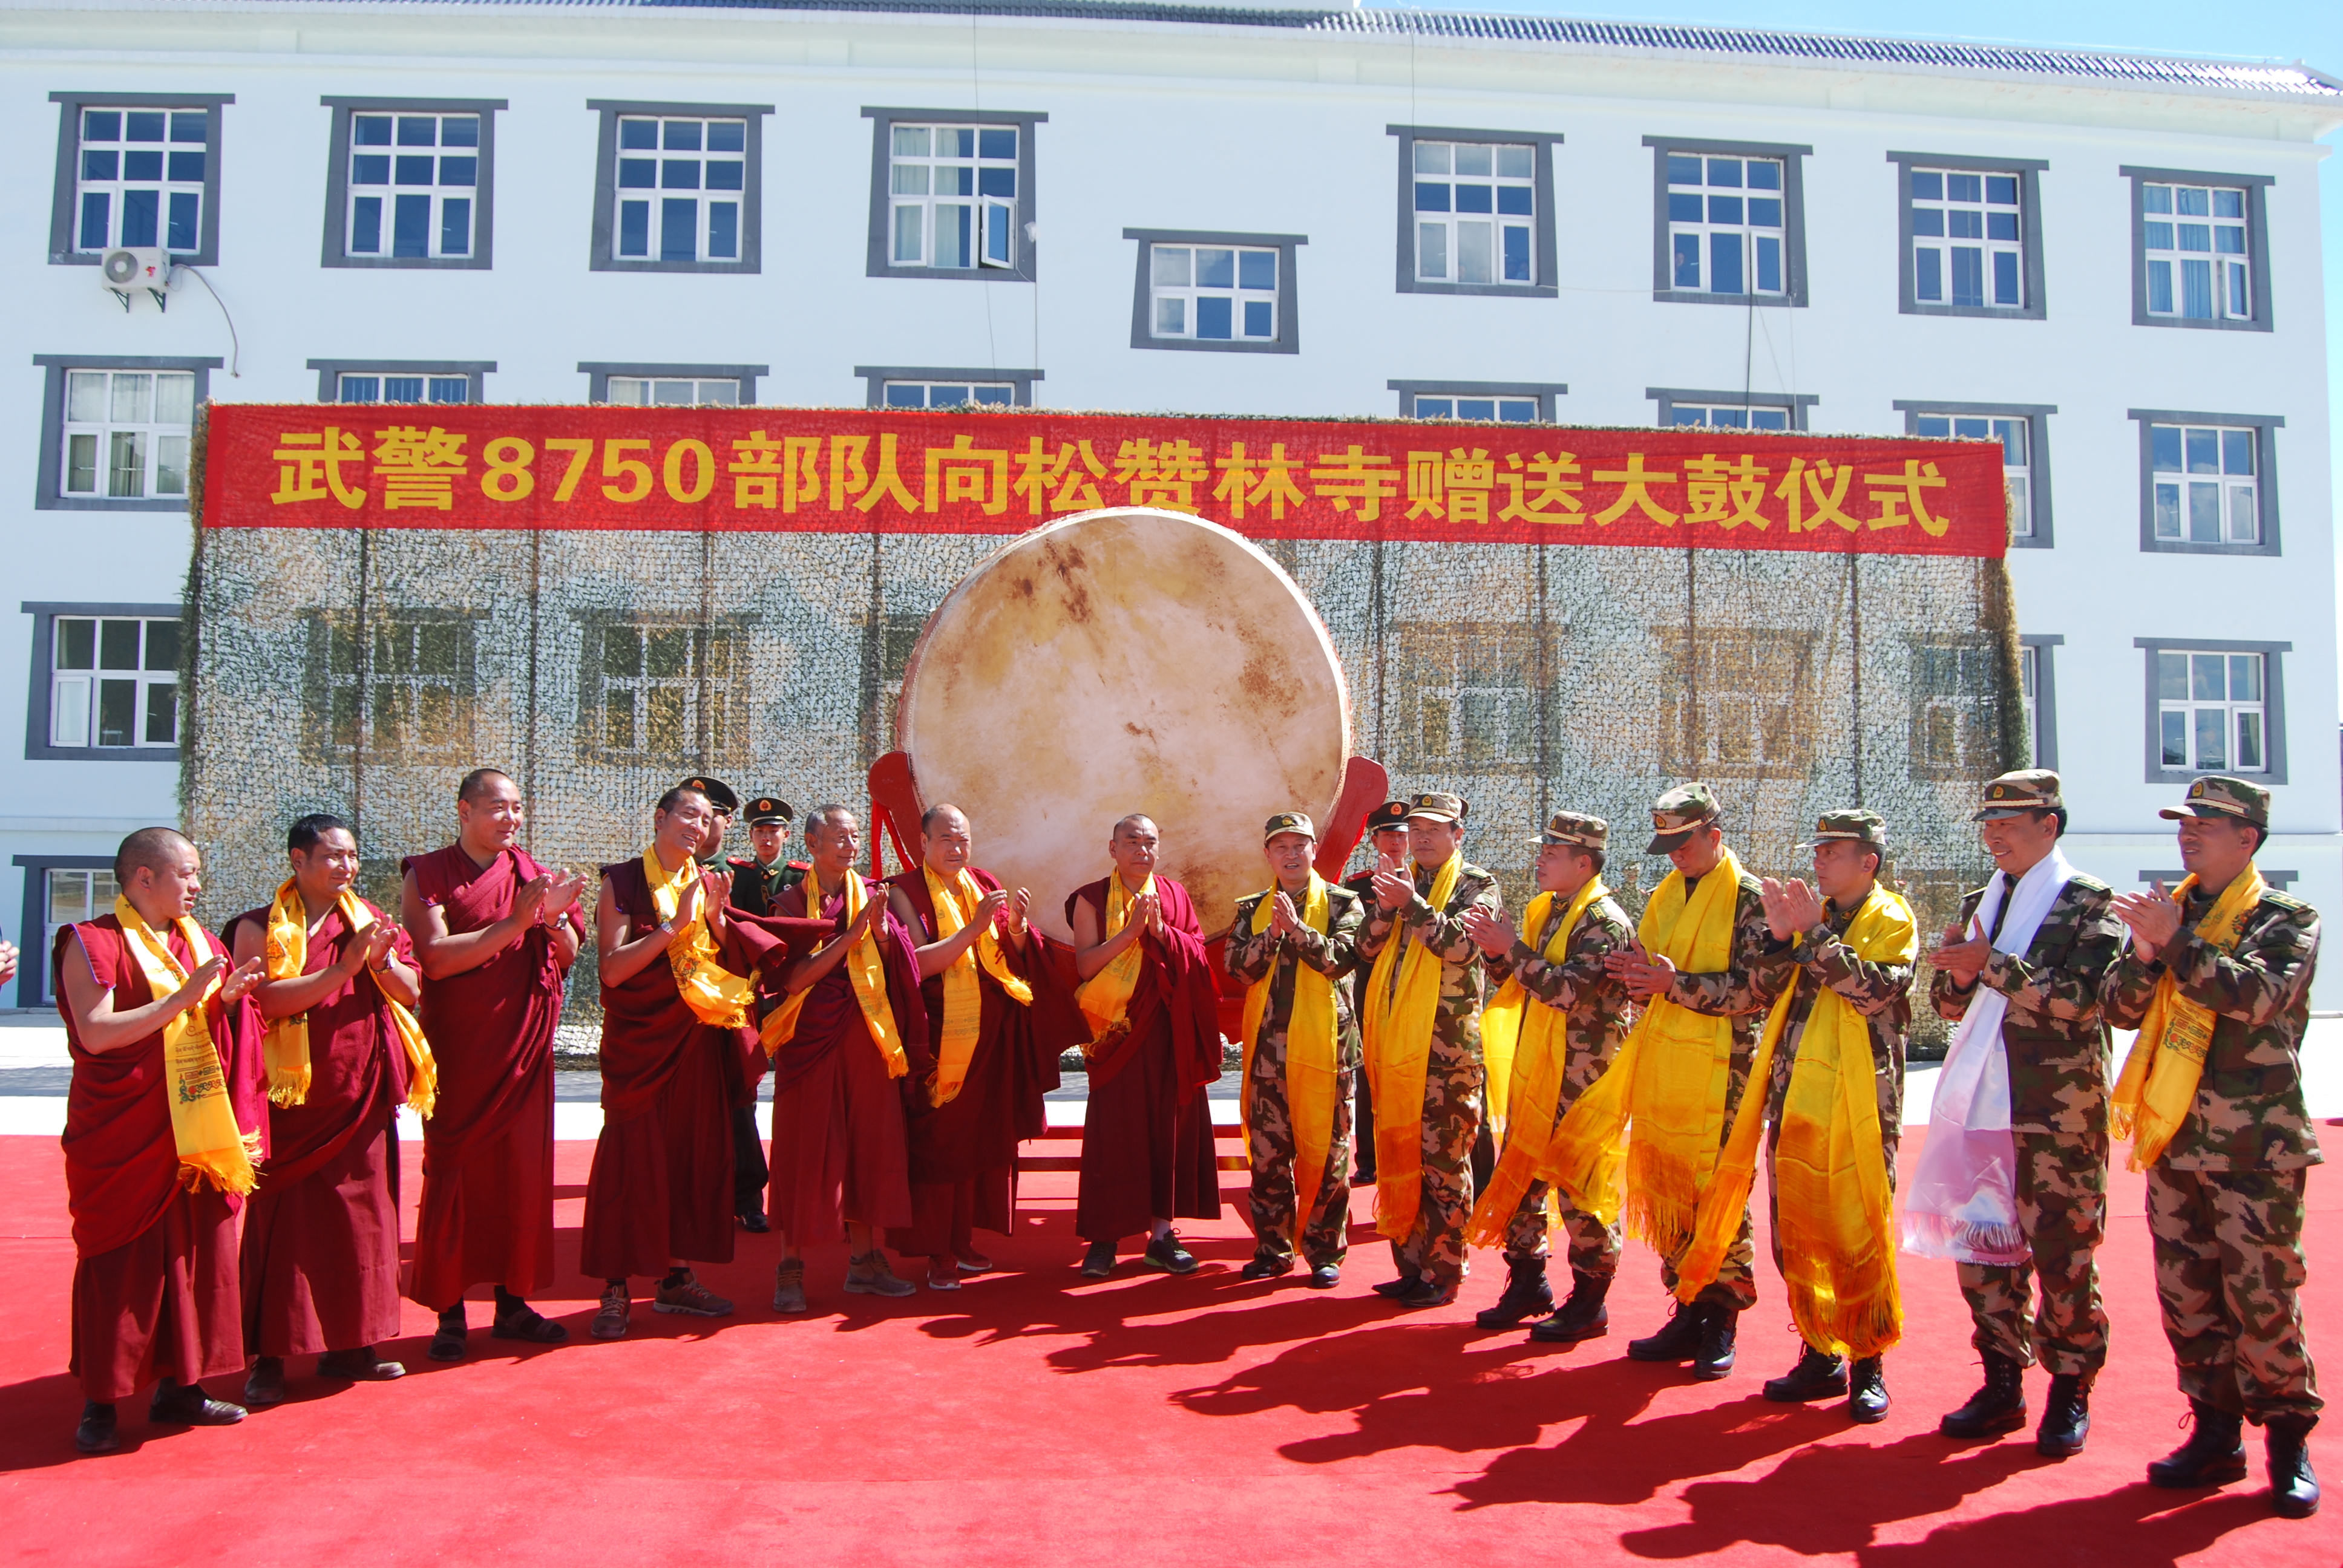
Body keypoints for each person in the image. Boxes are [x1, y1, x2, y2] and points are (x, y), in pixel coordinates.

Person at [2101, 776, 2322, 1518]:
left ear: (2248, 838)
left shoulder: (2283, 919)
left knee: (2260, 1300)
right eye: (2183, 822)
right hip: (2174, 1139)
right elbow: (2119, 1008)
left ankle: (2287, 1443)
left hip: (2253, 1147)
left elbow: (2257, 997)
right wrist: (2143, 951)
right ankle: (2214, 1436)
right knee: (2189, 1299)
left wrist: (2175, 943)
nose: (2187, 834)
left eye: (2205, 823)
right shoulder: (2172, 913)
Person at [1910, 769, 2122, 1459]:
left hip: (2055, 1114)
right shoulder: (1982, 901)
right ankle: (2001, 1379)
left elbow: (2082, 999)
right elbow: (1946, 1003)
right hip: (1980, 1109)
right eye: (1988, 823)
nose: (1993, 834)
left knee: (2063, 1258)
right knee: (1983, 1255)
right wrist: (1963, 974)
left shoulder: (2088, 905)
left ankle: (2069, 1392)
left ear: (2049, 826)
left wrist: (1993, 965)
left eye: (2009, 821)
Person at [1687, 811, 1915, 1423]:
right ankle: (1818, 1352)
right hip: (1794, 1098)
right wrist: (1783, 939)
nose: (1818, 861)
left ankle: (1867, 1363)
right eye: (1816, 849)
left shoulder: (1890, 919)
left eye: (1832, 852)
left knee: (1855, 1230)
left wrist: (1812, 936)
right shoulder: (1816, 916)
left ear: (1867, 862)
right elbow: (1761, 988)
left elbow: (1871, 992)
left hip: (1857, 1104)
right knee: (1797, 1234)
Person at [1548, 783, 1781, 1379]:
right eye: (1668, 846)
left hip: (1722, 1071)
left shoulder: (1749, 899)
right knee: (1669, 1186)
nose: (1676, 856)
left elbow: (1757, 990)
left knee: (1715, 1191)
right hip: (1662, 1062)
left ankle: (1721, 1317)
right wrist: (1633, 975)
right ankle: (1685, 1306)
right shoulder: (1667, 894)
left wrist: (1672, 985)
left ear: (1714, 836)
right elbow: (1649, 971)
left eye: (1685, 843)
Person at [55, 827, 267, 1454]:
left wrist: (225, 1002)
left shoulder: (195, 943)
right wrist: (184, 997)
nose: (198, 886)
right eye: (188, 873)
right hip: (125, 1134)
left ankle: (182, 1386)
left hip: (191, 1131)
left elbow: (204, 1024)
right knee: (122, 1266)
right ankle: (101, 1399)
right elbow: (96, 1034)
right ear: (143, 879)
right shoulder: (90, 942)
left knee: (193, 1259)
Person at [229, 814, 431, 1406]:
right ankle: (270, 1356)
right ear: (298, 861)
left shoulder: (372, 924)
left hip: (359, 1095)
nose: (346, 867)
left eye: (351, 857)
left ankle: (354, 1344)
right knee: (284, 1227)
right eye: (332, 857)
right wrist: (343, 969)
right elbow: (263, 1000)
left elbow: (412, 992)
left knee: (362, 1225)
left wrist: (379, 963)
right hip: (291, 1102)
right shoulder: (256, 928)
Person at [584, 785, 793, 1338]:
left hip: (696, 1042)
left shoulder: (706, 882)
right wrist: (676, 923)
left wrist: (718, 918)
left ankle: (677, 1278)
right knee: (630, 1163)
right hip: (642, 1048)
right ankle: (614, 1287)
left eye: (707, 820)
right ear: (661, 818)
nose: (697, 827)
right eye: (688, 815)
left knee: (689, 1159)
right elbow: (612, 970)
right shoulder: (623, 881)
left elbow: (724, 960)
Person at [401, 768, 588, 1362]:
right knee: (454, 1173)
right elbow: (433, 959)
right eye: (496, 808)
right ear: (464, 811)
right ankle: (449, 1312)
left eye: (516, 809)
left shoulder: (531, 875)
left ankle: (512, 1303)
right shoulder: (427, 874)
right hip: (462, 1049)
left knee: (519, 1177)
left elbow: (567, 957)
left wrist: (553, 920)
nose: (510, 819)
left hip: (521, 1050)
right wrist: (517, 924)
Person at [1461, 811, 1634, 1341]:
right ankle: (1528, 1282)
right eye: (1542, 850)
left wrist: (1510, 947)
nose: (1540, 860)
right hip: (1539, 1068)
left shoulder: (1604, 922)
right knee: (1523, 1179)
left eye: (1551, 854)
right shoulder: (1547, 910)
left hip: (1585, 1079)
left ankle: (1589, 1300)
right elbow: (1519, 980)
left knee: (1581, 1190)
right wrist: (1497, 951)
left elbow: (1563, 991)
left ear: (1584, 863)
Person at [765, 805, 934, 1310]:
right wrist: (852, 934)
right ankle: (790, 1267)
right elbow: (792, 980)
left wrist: (881, 932)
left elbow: (903, 963)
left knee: (868, 1147)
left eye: (855, 837)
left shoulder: (872, 895)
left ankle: (864, 1262)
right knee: (806, 1150)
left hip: (869, 1038)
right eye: (839, 837)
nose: (850, 845)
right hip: (812, 1044)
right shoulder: (790, 902)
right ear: (812, 845)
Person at [885, 804, 1057, 1289]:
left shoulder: (982, 881)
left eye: (963, 840)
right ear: (923, 843)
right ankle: (936, 1250)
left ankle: (960, 1240)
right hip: (940, 1040)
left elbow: (1009, 954)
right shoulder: (904, 892)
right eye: (946, 840)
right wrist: (975, 929)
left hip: (989, 1037)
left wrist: (1018, 927)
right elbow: (916, 963)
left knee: (976, 1143)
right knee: (940, 1146)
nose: (957, 849)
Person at [1355, 791, 1503, 1310]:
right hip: (1396, 1042)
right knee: (1401, 1153)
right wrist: (1385, 906)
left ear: (1457, 835)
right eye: (1416, 829)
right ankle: (1410, 1264)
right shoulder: (1401, 881)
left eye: (1433, 830)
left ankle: (1444, 1271)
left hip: (1448, 1053)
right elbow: (1365, 947)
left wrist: (1412, 906)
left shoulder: (1478, 885)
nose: (1420, 838)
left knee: (1444, 1165)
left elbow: (1463, 947)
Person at [1069, 814, 1224, 1278]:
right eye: (1132, 841)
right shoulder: (1090, 898)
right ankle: (1104, 1237)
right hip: (1117, 1034)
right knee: (1113, 1135)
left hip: (1167, 1031)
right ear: (1113, 849)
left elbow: (1195, 955)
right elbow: (1085, 966)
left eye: (1150, 842)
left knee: (1166, 1131)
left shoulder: (1174, 895)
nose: (1142, 849)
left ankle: (1161, 1235)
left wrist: (1161, 935)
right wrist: (1132, 933)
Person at [1226, 812, 1366, 1289]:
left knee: (1328, 1157)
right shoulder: (1251, 909)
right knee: (1268, 1159)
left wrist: (1301, 930)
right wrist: (1272, 933)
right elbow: (1238, 971)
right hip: (1268, 1055)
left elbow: (1342, 960)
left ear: (1313, 850)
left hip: (1327, 1054)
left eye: (1299, 846)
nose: (1290, 854)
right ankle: (1273, 1248)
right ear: (1268, 855)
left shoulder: (1346, 903)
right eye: (1280, 847)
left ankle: (1325, 1251)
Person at [724, 794, 802, 1234]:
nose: (767, 838)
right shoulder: (737, 877)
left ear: (787, 836)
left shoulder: (800, 878)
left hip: (788, 996)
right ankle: (749, 1196)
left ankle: (800, 1189)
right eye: (759, 832)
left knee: (797, 1092)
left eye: (774, 831)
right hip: (746, 996)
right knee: (744, 1093)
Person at [1342, 801, 1411, 1184]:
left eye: (1402, 836)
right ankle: (1368, 1160)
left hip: (1414, 990)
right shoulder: (1357, 887)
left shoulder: (1428, 883)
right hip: (1371, 990)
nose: (1396, 842)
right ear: (1374, 840)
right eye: (1388, 835)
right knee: (1369, 1073)